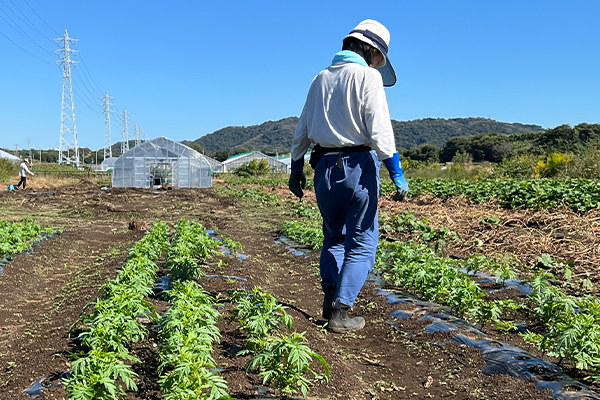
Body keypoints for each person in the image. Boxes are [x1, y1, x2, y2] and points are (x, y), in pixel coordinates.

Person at [288, 19, 408, 333]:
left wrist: (296, 169)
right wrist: (396, 172)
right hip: (357, 166)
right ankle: (341, 314)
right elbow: (380, 129)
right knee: (363, 243)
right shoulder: (368, 77)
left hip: (324, 170)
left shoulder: (320, 79)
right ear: (369, 51)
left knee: (334, 237)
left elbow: (302, 130)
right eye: (377, 58)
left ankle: (329, 301)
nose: (375, 64)